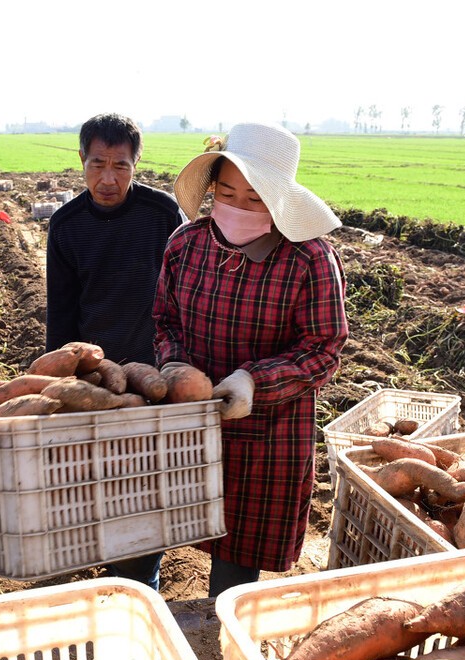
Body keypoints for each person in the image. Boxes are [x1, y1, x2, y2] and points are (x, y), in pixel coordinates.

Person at [153, 122, 349, 598]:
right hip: (190, 424)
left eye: (254, 198)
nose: (237, 207)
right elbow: (165, 320)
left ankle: (224, 627)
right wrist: (174, 365)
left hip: (268, 439)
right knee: (160, 522)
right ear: (212, 189)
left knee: (236, 566)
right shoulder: (186, 244)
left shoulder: (309, 260)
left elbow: (324, 348)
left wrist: (254, 382)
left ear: (280, 201)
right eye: (227, 193)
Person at [45, 113, 185, 591]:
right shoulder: (66, 224)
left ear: (136, 164)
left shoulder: (162, 215)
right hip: (98, 377)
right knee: (100, 479)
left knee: (149, 481)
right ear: (81, 160)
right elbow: (62, 310)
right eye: (97, 164)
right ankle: (110, 565)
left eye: (120, 166)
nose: (108, 178)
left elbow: (185, 290)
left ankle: (141, 581)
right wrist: (62, 379)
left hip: (156, 374)